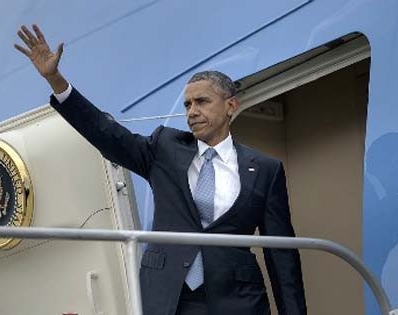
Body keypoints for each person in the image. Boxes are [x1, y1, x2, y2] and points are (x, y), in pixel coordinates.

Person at [15, 24, 307, 315]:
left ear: (231, 106)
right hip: (169, 297)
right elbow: (106, 133)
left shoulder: (266, 169)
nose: (192, 111)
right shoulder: (165, 147)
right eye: (188, 104)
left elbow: (282, 255)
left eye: (202, 102)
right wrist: (56, 81)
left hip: (237, 300)